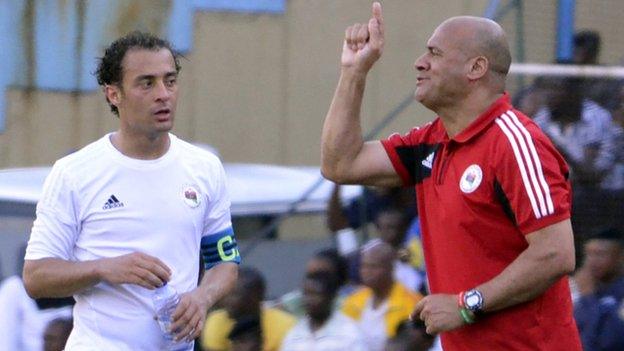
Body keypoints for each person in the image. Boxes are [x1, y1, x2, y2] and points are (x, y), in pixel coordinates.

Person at [320, 3, 580, 350]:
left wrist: (467, 304)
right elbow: (340, 164)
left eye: (435, 53)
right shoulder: (430, 142)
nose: (420, 62)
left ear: (476, 68)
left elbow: (556, 254)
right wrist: (354, 72)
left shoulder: (517, 143)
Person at [21, 31, 240, 350]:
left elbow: (225, 262)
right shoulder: (75, 173)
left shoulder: (204, 168)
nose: (163, 94)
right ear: (113, 94)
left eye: (170, 81)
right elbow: (36, 276)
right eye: (146, 83)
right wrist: (104, 268)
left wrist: (202, 298)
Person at [341, 240, 422, 351]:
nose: (366, 271)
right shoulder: (352, 302)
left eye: (373, 266)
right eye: (364, 266)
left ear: (390, 268)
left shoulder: (412, 304)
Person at [201, 266, 296, 351]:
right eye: (227, 293)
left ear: (256, 296)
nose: (227, 300)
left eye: (235, 294)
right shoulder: (216, 321)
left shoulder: (284, 325)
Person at [280, 271, 367, 351]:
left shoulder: (349, 333)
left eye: (315, 294)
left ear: (331, 297)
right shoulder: (295, 333)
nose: (309, 300)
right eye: (306, 294)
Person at [572, 227, 624, 350]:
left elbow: (609, 342)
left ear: (621, 257)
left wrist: (588, 297)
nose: (592, 261)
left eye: (600, 254)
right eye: (588, 254)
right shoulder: (580, 288)